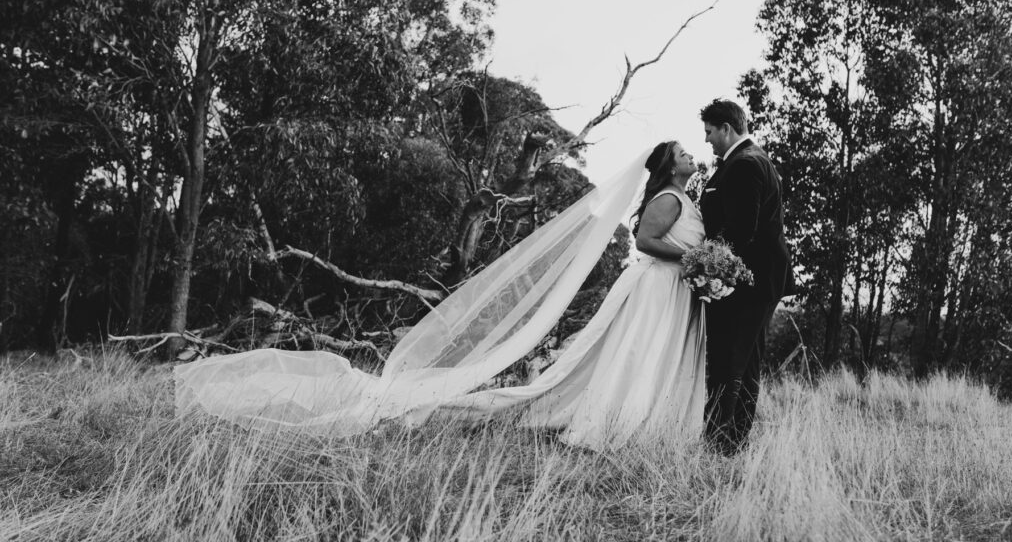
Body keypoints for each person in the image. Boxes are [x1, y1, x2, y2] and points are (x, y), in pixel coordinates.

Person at [175, 142, 707, 450]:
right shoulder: (665, 196)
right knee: (616, 357)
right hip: (656, 288)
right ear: (667, 165)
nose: (691, 153)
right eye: (684, 151)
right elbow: (643, 240)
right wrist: (698, 261)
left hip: (669, 293)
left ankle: (636, 418)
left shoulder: (685, 195)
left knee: (628, 357)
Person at [698, 99, 796, 455]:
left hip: (748, 281)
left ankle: (723, 441)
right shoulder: (749, 160)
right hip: (755, 278)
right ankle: (730, 439)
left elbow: (740, 232)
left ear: (726, 128)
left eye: (709, 132)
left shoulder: (745, 164)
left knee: (731, 359)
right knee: (741, 358)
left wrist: (707, 268)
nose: (707, 140)